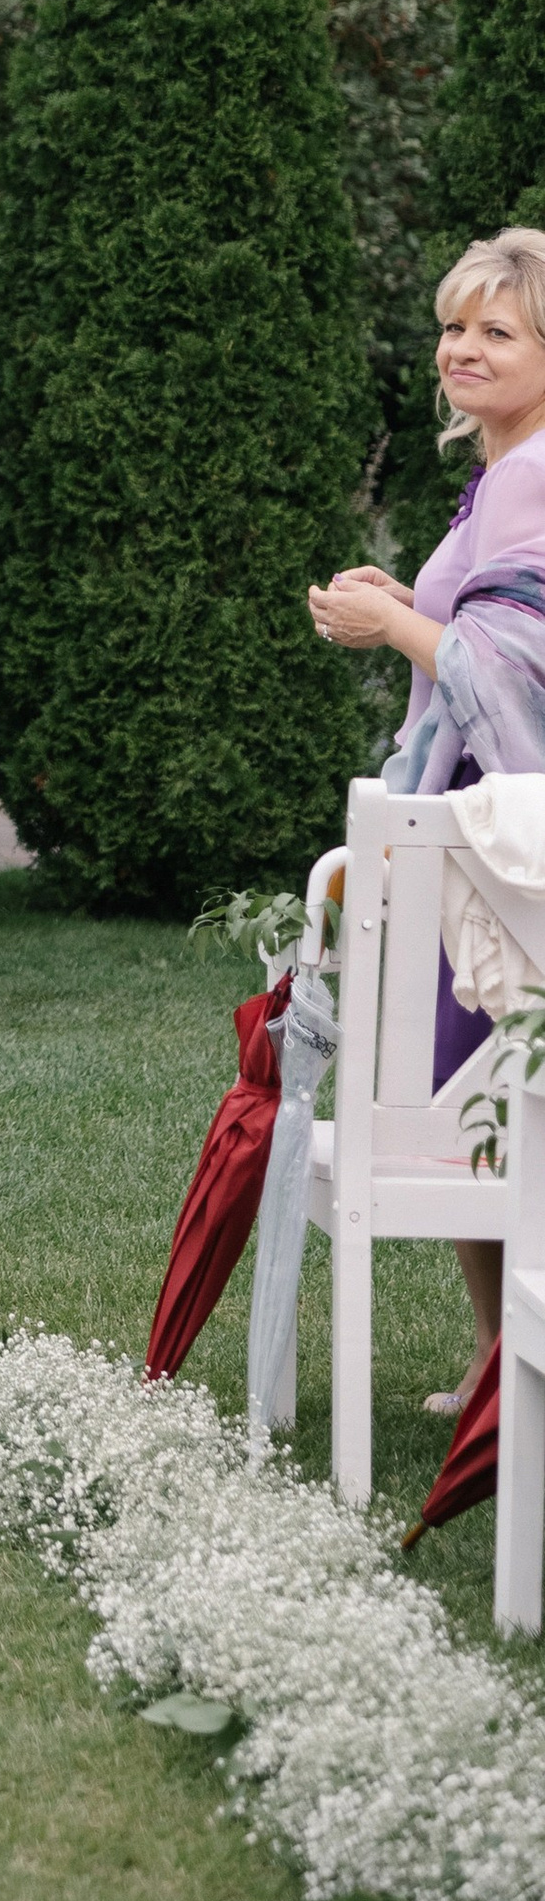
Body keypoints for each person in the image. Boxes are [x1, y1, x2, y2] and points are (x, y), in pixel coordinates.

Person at [309, 227, 545, 1408]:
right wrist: (406, 603)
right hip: (462, 827)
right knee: (473, 1091)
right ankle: (499, 1357)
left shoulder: (539, 471)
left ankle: (515, 1359)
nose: (461, 348)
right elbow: (484, 624)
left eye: (495, 332)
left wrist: (386, 629)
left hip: (498, 834)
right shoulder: (503, 469)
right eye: (454, 326)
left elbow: (517, 671)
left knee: (487, 1094)